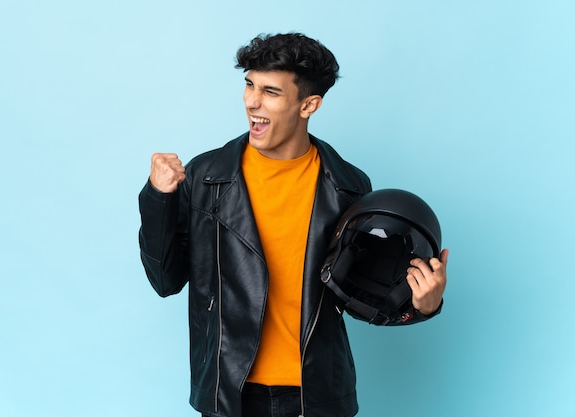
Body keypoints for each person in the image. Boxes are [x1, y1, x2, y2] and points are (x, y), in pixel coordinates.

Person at [138, 32, 448, 417]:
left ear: (308, 105)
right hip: (229, 391)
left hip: (316, 396)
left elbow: (357, 298)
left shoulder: (349, 187)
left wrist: (422, 305)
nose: (252, 101)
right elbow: (165, 280)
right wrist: (158, 198)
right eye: (249, 85)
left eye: (270, 91)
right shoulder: (205, 177)